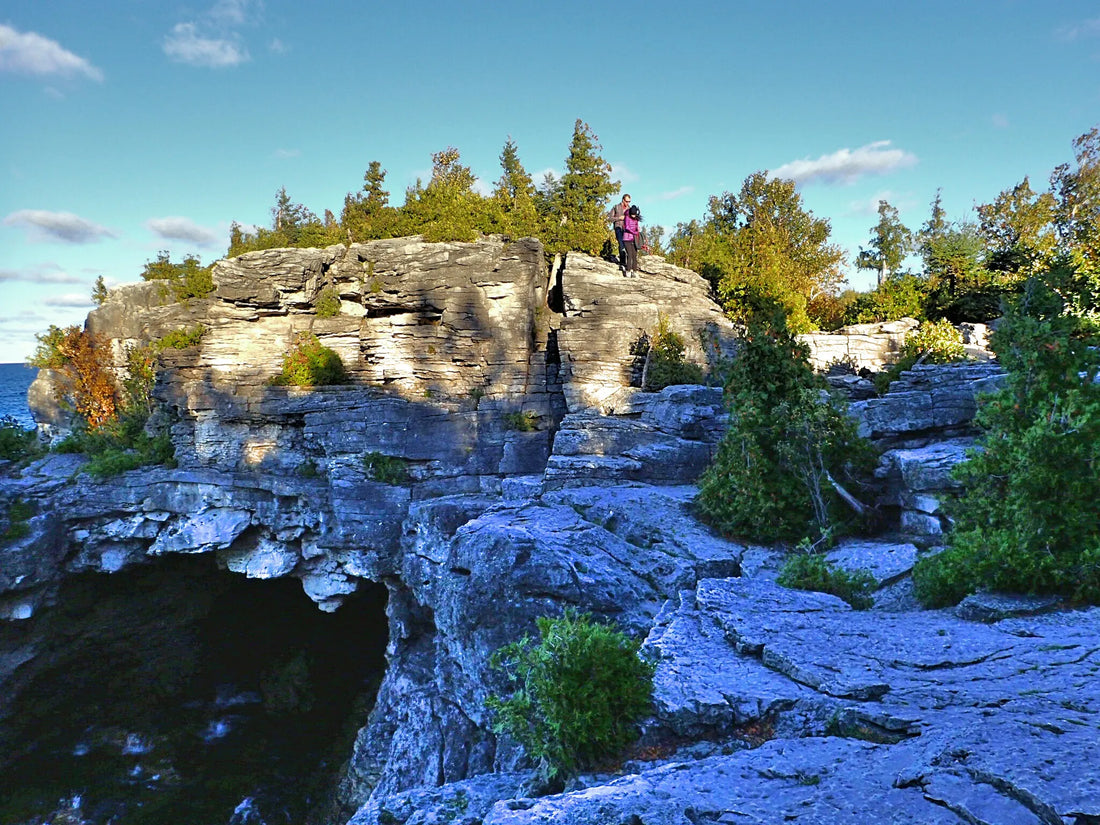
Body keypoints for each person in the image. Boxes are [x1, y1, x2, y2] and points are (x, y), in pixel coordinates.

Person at [606, 194, 631, 268]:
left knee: (627, 245)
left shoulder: (629, 209)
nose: (628, 203)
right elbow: (609, 218)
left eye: (629, 201)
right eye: (626, 201)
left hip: (626, 229)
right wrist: (619, 218)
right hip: (618, 227)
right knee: (621, 243)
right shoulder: (616, 207)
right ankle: (622, 263)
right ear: (623, 200)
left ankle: (627, 263)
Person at [622, 204, 644, 277]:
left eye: (634, 214)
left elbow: (636, 226)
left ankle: (634, 271)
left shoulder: (636, 218)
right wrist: (634, 232)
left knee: (634, 255)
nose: (633, 216)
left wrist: (637, 231)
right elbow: (627, 227)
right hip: (627, 238)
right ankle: (628, 270)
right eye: (632, 214)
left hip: (634, 239)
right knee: (630, 254)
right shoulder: (627, 217)